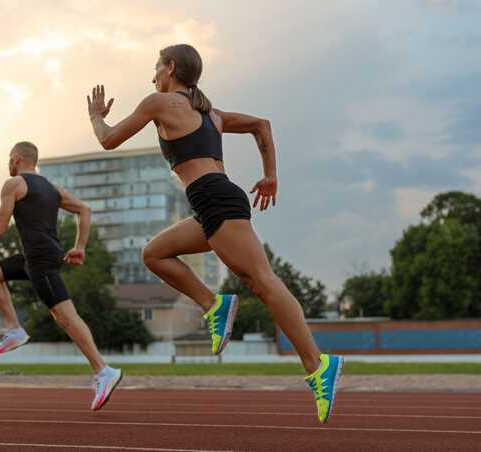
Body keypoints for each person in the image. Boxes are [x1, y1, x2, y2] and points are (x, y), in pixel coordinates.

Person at [86, 44, 343, 423]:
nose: (152, 76)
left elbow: (107, 139)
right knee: (154, 254)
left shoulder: (159, 102)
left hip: (215, 199)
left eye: (156, 68)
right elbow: (262, 125)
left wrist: (95, 116)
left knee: (263, 282)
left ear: (171, 68)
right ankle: (213, 304)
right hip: (212, 202)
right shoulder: (212, 114)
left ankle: (318, 365)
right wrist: (270, 174)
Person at [0, 141, 122, 411]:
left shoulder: (13, 185)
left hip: (40, 259)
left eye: (10, 158)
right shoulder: (52, 189)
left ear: (18, 158)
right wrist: (79, 247)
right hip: (36, 256)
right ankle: (14, 329)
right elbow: (85, 210)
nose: (8, 163)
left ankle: (104, 371)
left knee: (65, 317)